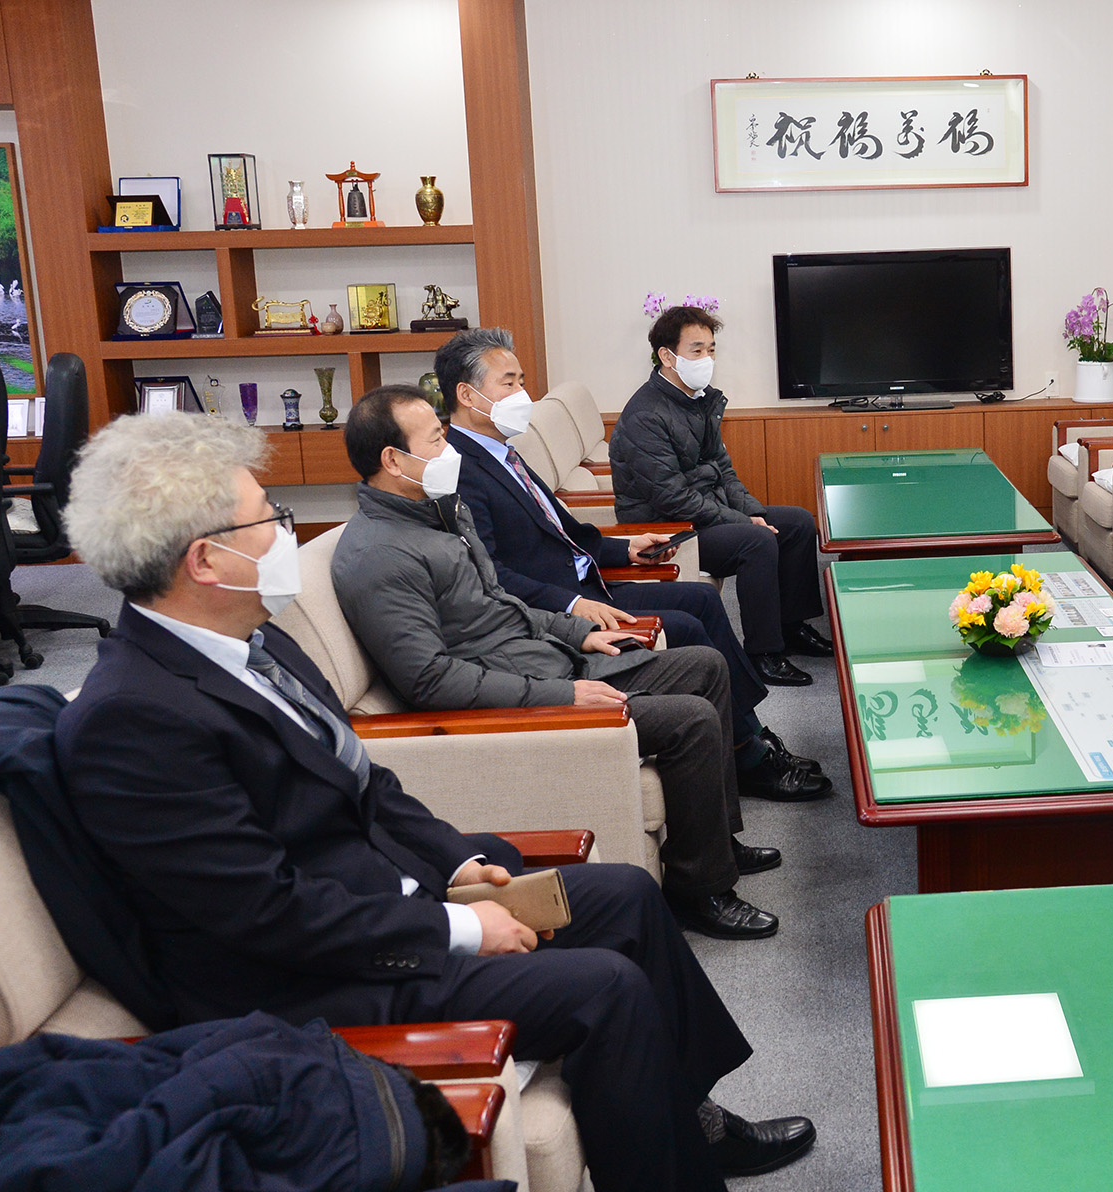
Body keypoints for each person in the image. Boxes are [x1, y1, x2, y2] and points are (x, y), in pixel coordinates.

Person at [54, 412, 816, 1190]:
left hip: (380, 903)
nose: (285, 532)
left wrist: (458, 863)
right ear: (206, 560)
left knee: (624, 895)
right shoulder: (132, 719)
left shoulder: (257, 641)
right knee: (605, 987)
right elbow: (266, 913)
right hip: (307, 980)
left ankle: (691, 1119)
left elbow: (367, 785)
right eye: (268, 518)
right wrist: (459, 927)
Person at [330, 385, 780, 940]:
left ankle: (714, 845)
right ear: (394, 460)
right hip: (526, 692)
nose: (450, 450)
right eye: (437, 440)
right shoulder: (379, 555)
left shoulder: (439, 512)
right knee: (689, 719)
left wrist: (578, 632)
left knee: (705, 666)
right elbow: (430, 679)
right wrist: (564, 696)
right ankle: (702, 890)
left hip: (545, 658)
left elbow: (501, 602)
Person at [435, 328, 830, 802]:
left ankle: (748, 736)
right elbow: (491, 573)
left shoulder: (502, 452)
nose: (524, 395)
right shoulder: (462, 469)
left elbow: (564, 533)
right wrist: (572, 605)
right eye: (510, 383)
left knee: (702, 600)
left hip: (589, 581)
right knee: (686, 623)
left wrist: (624, 550)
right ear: (467, 395)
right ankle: (749, 753)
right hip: (558, 609)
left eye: (522, 381)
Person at [608, 306, 831, 685]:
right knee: (756, 541)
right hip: (666, 529)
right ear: (667, 356)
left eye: (711, 349)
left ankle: (791, 627)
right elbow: (672, 498)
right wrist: (744, 521)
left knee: (796, 522)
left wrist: (751, 510)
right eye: (696, 350)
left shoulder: (699, 400)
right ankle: (763, 653)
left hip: (703, 512)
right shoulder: (645, 415)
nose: (707, 359)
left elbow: (723, 470)